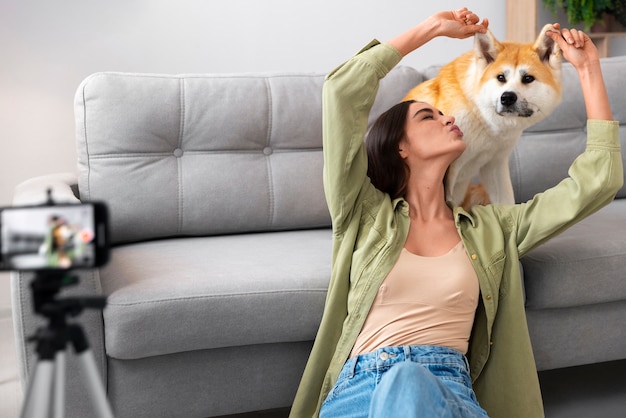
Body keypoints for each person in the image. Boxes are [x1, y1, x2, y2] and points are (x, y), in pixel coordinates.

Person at [289, 7, 624, 418]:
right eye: (429, 115)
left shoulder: (493, 228)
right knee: (401, 381)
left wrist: (589, 70)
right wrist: (431, 29)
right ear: (400, 147)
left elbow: (598, 182)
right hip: (358, 393)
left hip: (449, 392)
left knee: (409, 382)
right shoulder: (364, 213)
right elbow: (341, 91)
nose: (449, 117)